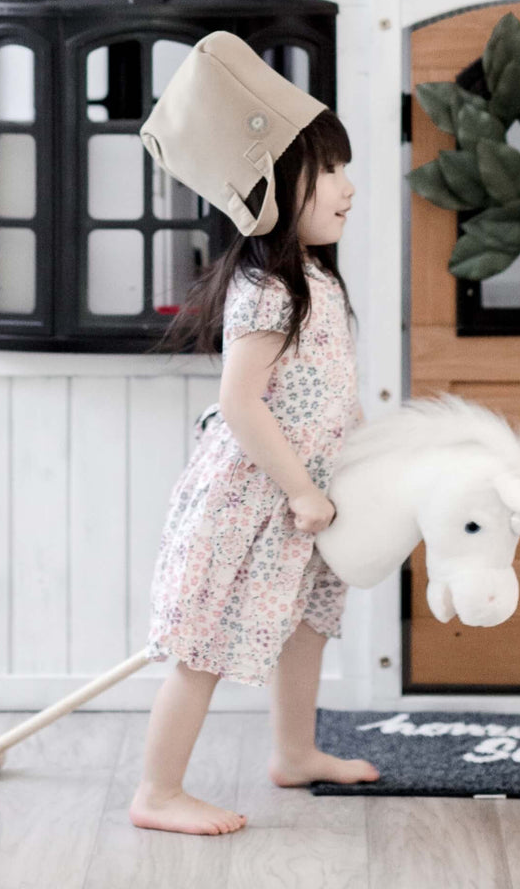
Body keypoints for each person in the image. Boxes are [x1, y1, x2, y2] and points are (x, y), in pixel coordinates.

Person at [128, 88, 379, 836]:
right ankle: (157, 790)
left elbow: (332, 393)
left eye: (344, 167)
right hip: (253, 501)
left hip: (305, 502)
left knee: (305, 627)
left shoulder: (317, 279)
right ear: (270, 193)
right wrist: (300, 489)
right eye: (328, 169)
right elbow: (242, 403)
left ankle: (294, 751)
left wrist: (353, 464)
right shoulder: (269, 289)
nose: (347, 185)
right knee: (202, 645)